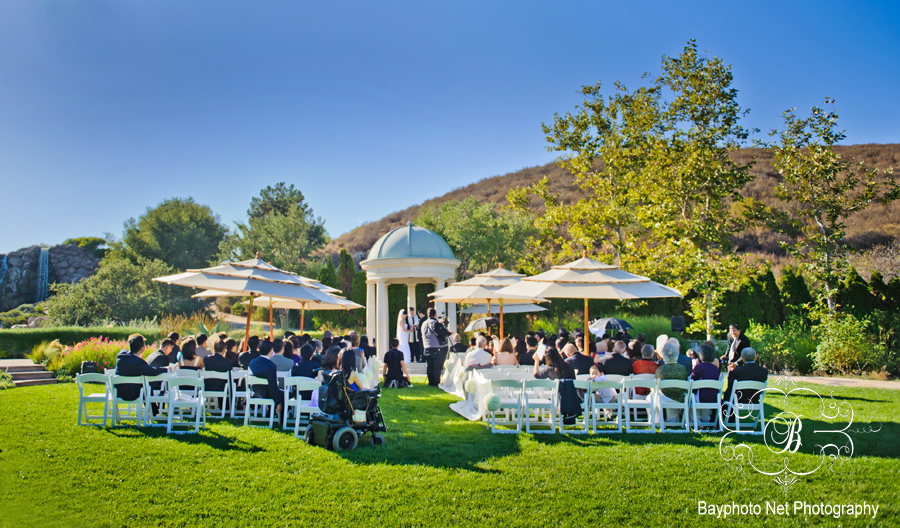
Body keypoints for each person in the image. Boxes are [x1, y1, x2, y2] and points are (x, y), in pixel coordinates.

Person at [114, 335, 166, 402]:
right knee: (147, 388)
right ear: (142, 348)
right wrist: (166, 369)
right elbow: (152, 371)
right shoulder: (138, 362)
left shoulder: (121, 355)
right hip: (132, 394)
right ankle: (154, 411)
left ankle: (154, 411)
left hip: (118, 392)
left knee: (146, 387)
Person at [655, 343, 689, 422]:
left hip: (664, 398)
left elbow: (655, 385)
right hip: (679, 398)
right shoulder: (682, 368)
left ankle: (656, 420)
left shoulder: (661, 369)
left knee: (651, 397)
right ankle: (673, 421)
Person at [248, 341, 284, 413]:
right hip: (267, 393)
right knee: (286, 395)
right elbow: (272, 386)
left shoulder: (252, 362)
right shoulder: (271, 366)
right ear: (271, 350)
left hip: (254, 392)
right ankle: (280, 418)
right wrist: (278, 403)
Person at [421, 307, 451, 386]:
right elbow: (444, 333)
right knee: (437, 366)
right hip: (437, 347)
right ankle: (436, 382)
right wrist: (449, 332)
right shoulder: (435, 323)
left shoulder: (424, 323)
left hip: (426, 347)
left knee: (429, 366)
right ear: (435, 315)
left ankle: (430, 382)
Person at [691, 344, 721, 420]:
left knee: (690, 396)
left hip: (700, 397)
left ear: (701, 356)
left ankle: (694, 419)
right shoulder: (715, 368)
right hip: (713, 397)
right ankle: (704, 419)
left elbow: (692, 381)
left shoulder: (698, 367)